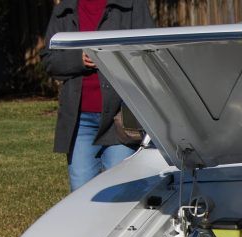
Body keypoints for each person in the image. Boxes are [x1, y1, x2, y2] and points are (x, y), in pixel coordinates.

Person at [40, 0, 155, 191]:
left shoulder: (132, 4)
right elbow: (49, 60)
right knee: (81, 193)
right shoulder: (65, 9)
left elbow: (150, 52)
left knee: (121, 192)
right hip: (80, 121)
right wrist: (79, 59)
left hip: (120, 117)